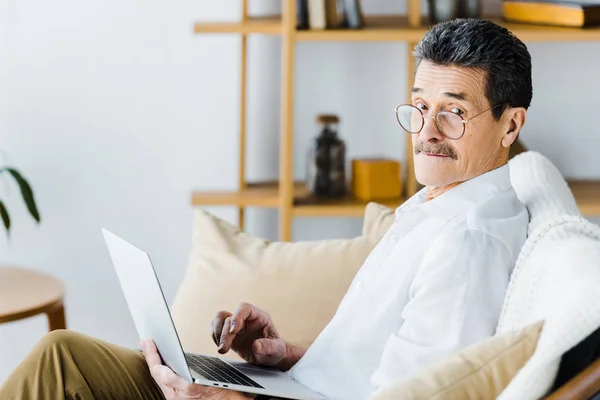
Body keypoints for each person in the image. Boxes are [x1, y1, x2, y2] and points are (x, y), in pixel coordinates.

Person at [0, 18, 532, 400]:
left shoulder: (470, 243)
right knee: (62, 354)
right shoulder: (438, 205)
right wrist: (286, 357)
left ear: (511, 124)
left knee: (60, 363)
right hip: (291, 387)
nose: (427, 132)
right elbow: (371, 371)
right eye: (419, 107)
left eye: (454, 113)